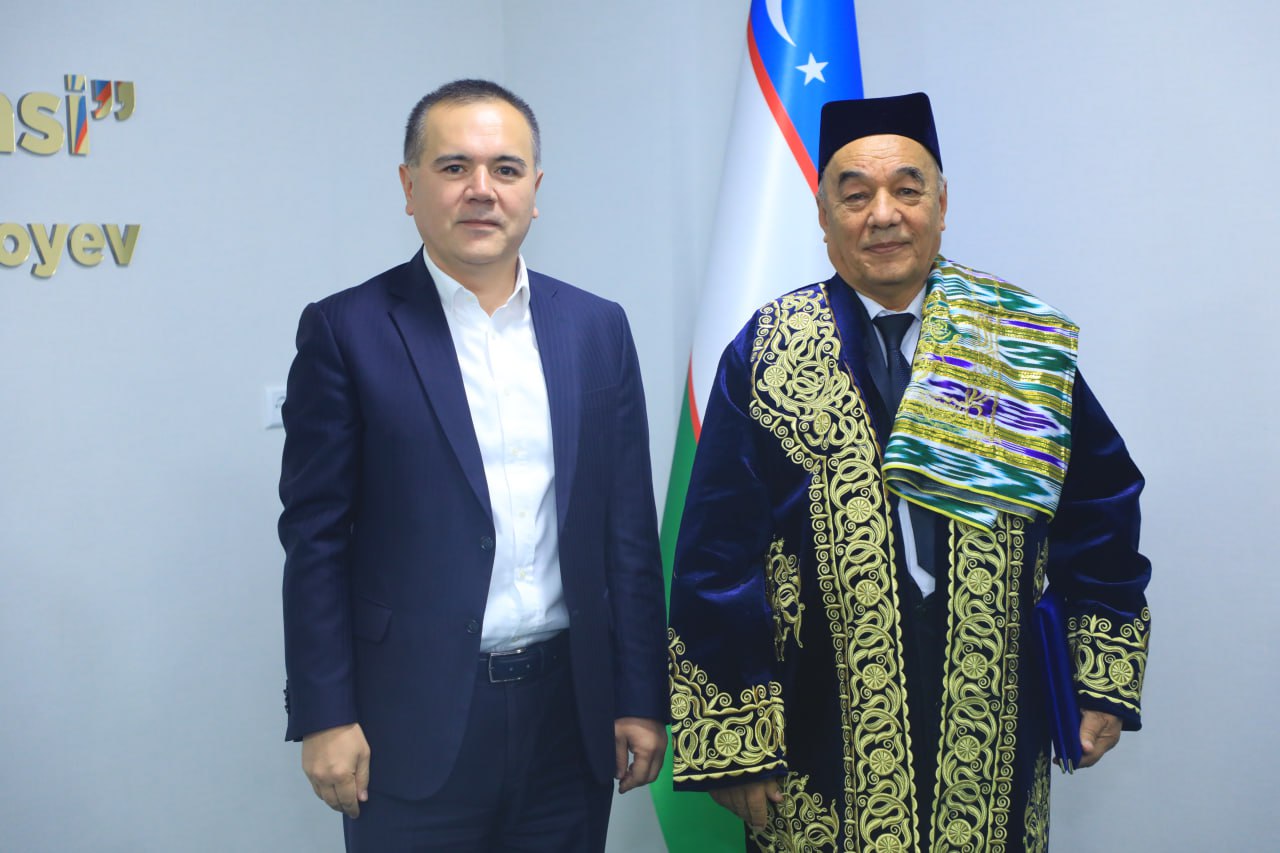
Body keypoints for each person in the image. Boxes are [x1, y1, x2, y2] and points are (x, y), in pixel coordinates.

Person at [667, 93, 1151, 852]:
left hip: (994, 709)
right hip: (820, 717)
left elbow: (1100, 506)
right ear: (823, 216)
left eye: (907, 189)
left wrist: (1099, 678)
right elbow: (716, 557)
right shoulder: (768, 349)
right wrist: (736, 739)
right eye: (855, 195)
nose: (883, 215)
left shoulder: (1012, 341)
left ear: (942, 205)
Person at [278, 79, 668, 852]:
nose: (482, 190)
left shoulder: (597, 328)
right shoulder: (346, 330)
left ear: (535, 190)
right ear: (409, 186)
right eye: (454, 167)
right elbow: (315, 539)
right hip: (410, 722)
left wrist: (640, 692)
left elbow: (626, 528)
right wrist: (324, 712)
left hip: (570, 716)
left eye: (506, 169)